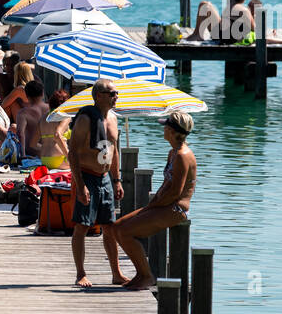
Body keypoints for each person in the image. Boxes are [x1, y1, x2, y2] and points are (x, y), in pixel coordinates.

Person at [111, 110, 197, 291]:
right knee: (117, 227)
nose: (163, 129)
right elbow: (166, 184)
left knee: (126, 232)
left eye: (166, 126)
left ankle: (147, 276)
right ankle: (141, 274)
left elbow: (176, 192)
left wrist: (153, 206)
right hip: (164, 205)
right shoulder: (172, 153)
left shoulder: (183, 155)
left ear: (173, 131)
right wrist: (152, 204)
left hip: (175, 209)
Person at [68, 79, 124, 288]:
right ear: (98, 95)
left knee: (110, 227)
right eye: (112, 93)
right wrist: (80, 184)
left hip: (105, 178)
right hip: (87, 175)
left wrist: (117, 180)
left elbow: (113, 150)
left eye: (116, 93)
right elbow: (72, 152)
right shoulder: (85, 119)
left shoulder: (113, 118)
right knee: (82, 226)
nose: (115, 97)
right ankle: (80, 273)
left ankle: (116, 273)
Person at [32, 89, 71, 170]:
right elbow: (57, 135)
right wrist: (68, 155)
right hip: (60, 159)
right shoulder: (65, 116)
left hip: (45, 160)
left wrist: (45, 147)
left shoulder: (43, 118)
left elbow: (33, 144)